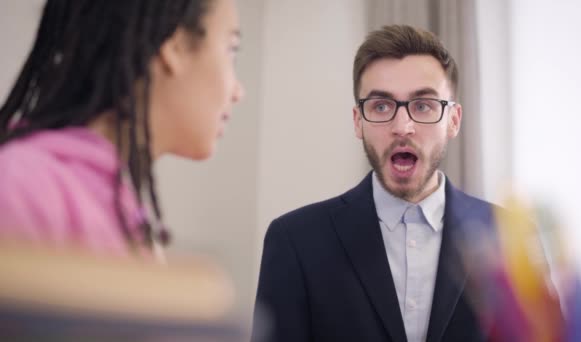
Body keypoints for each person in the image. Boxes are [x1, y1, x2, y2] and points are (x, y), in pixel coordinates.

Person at [252, 25, 498, 342]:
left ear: (453, 120)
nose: (402, 127)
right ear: (358, 121)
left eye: (423, 105)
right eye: (381, 106)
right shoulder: (294, 241)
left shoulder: (510, 238)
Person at [0, 0, 244, 256]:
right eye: (231, 50)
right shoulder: (21, 187)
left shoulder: (126, 209)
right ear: (176, 48)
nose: (239, 92)